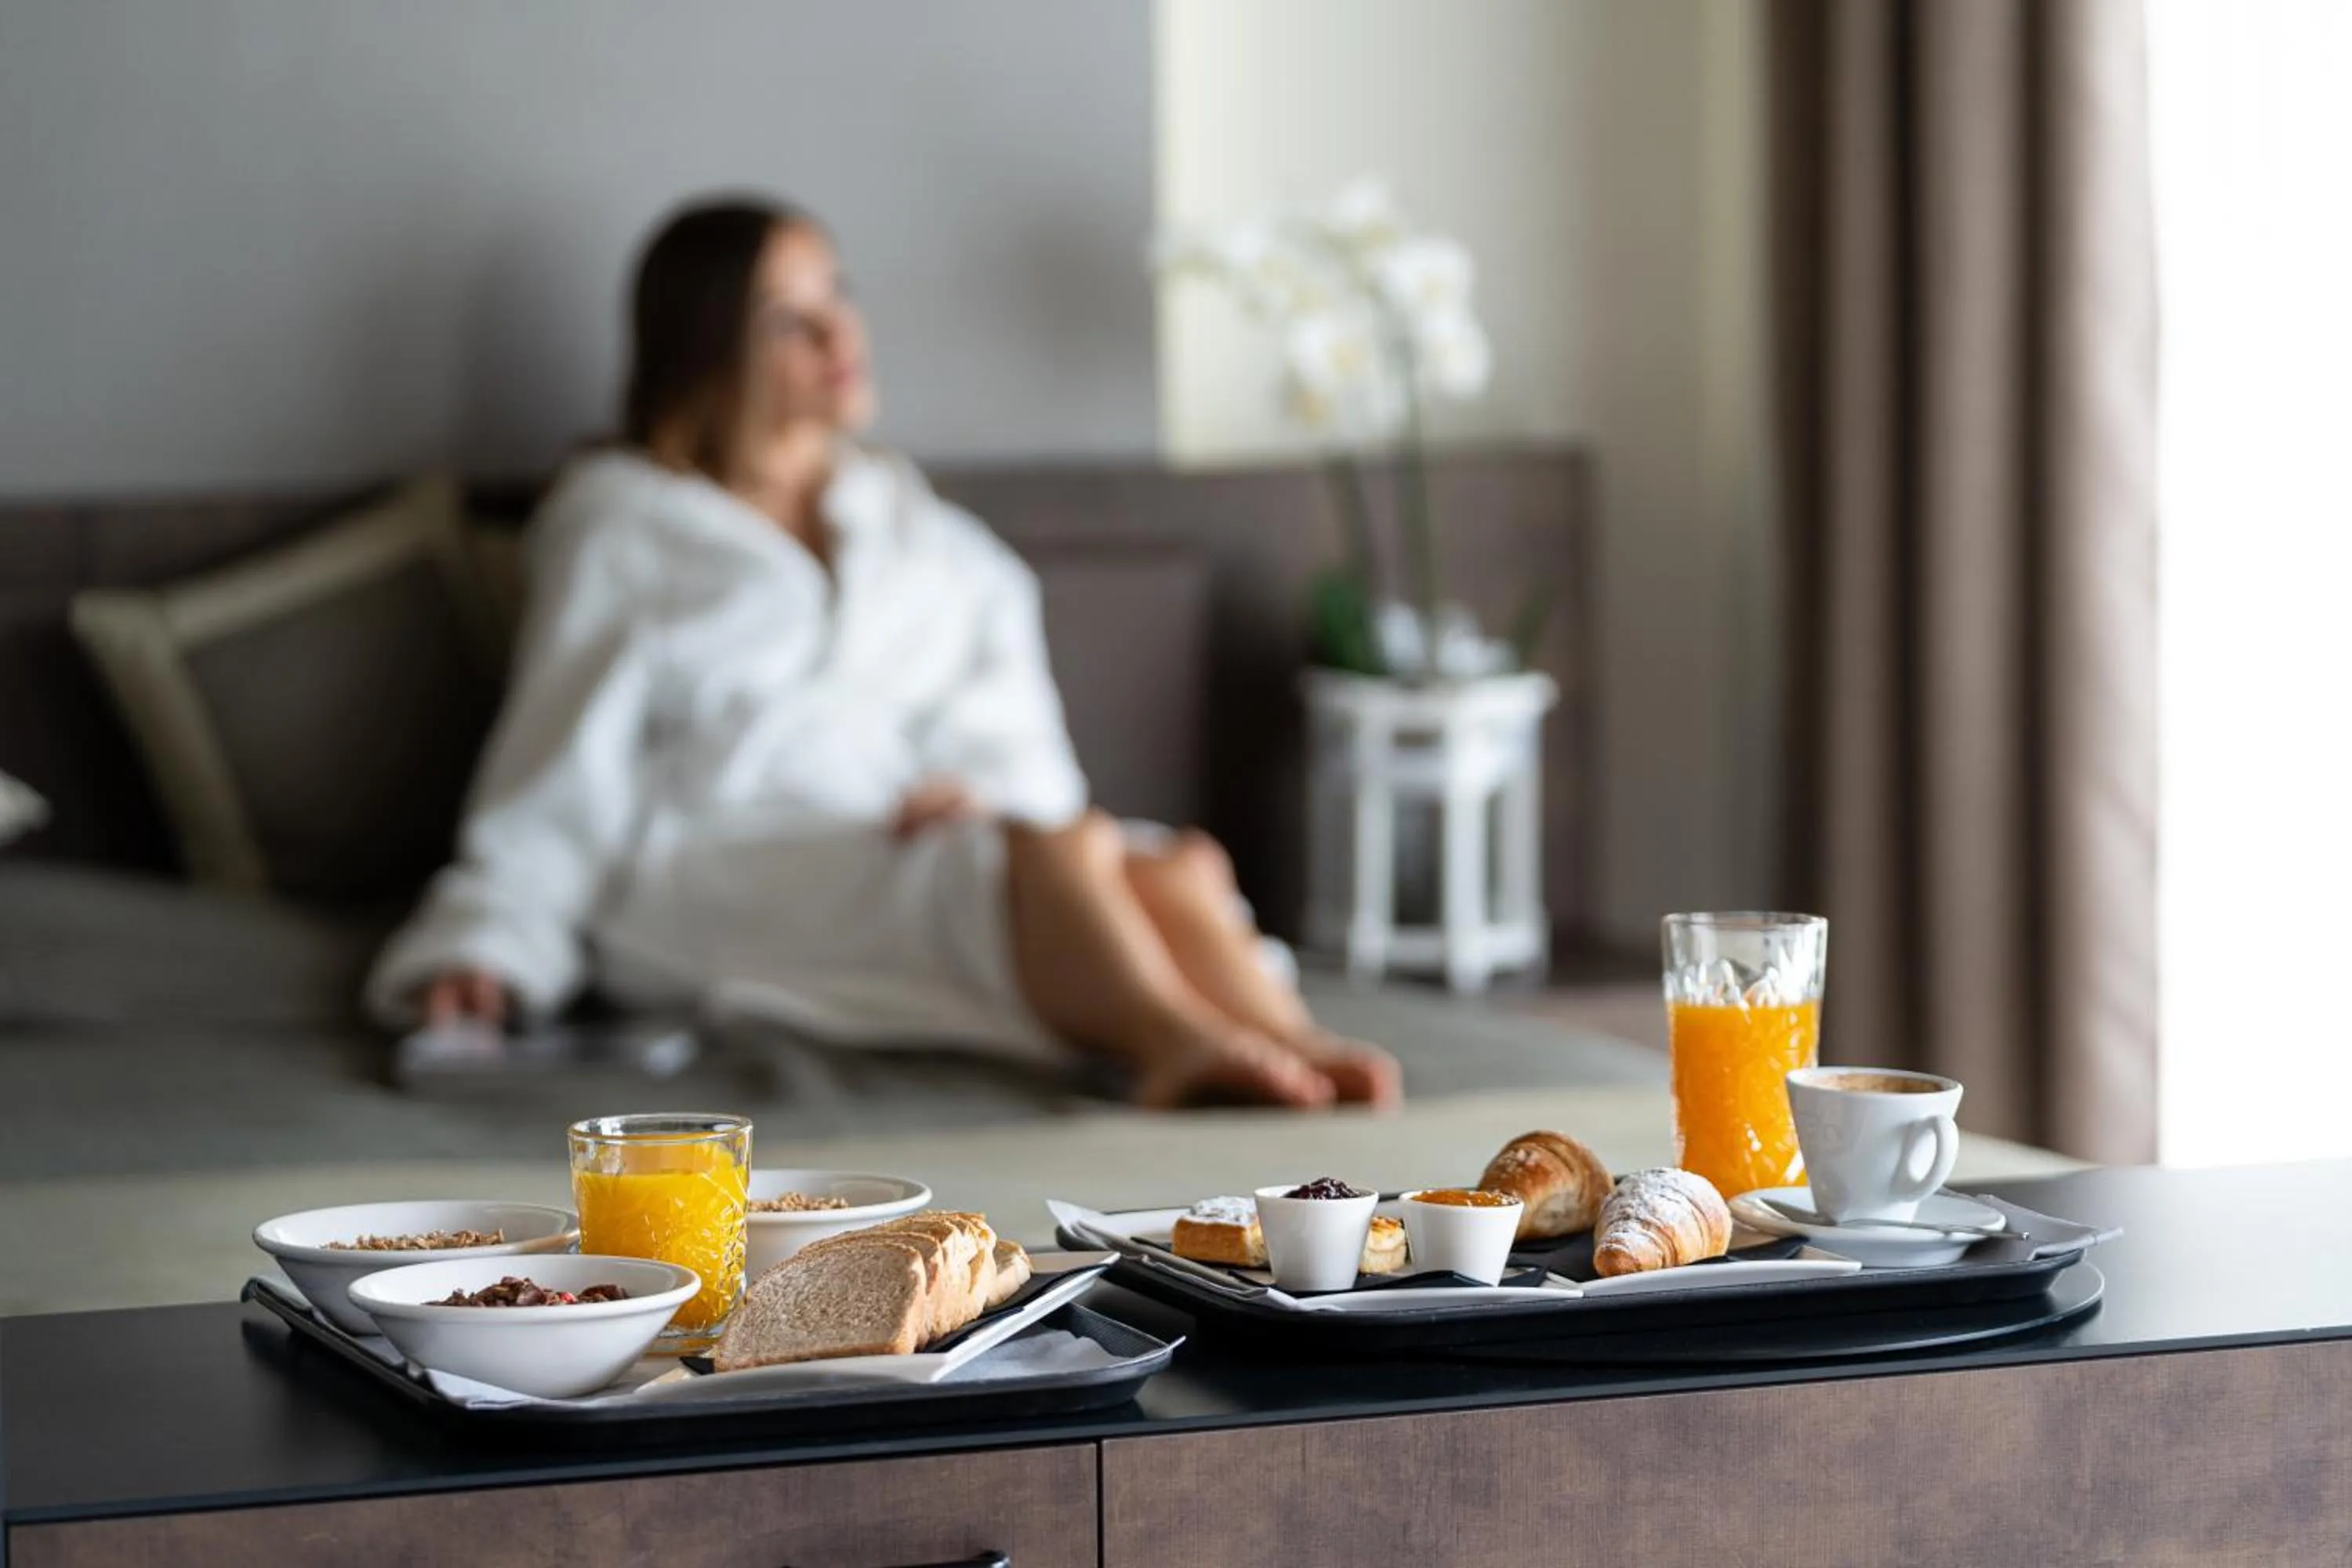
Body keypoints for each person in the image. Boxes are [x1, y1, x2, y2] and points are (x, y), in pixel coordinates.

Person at [368, 195, 1400, 1110]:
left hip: (906, 834)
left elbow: (1018, 746)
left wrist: (981, 797)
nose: (839, 333)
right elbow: (559, 770)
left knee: (1166, 863)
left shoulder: (918, 534)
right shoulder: (624, 528)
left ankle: (1294, 1041)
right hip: (723, 867)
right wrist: (491, 947)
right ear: (706, 348)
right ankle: (1177, 1043)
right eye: (788, 318)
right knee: (1033, 857)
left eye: (840, 296)